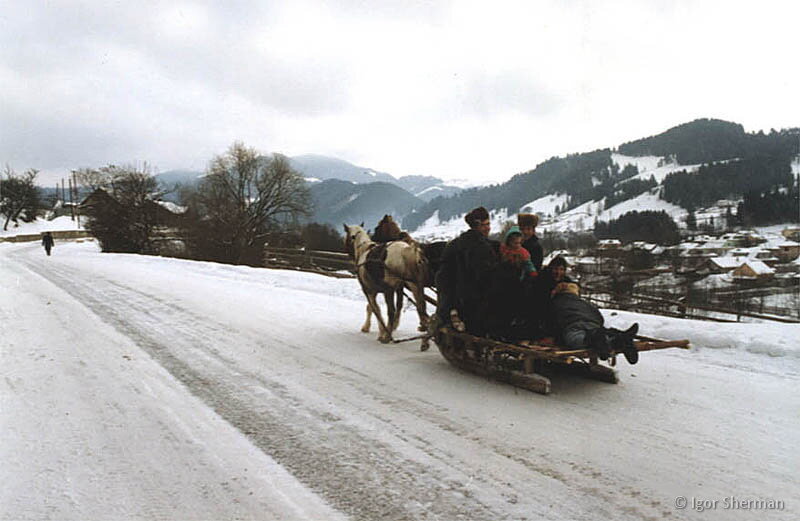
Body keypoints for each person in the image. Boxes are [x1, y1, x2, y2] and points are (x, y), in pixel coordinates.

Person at [434, 206, 497, 336]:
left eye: (488, 224)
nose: (488, 228)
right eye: (485, 225)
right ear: (477, 226)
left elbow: (442, 275)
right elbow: (486, 275)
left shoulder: (455, 244)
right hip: (474, 298)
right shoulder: (482, 247)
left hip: (455, 296)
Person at [549, 282, 639, 364]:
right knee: (599, 333)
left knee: (578, 340)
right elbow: (599, 317)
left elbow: (550, 322)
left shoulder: (555, 302)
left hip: (573, 325)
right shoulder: (584, 303)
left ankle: (597, 338)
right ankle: (619, 337)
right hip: (593, 324)